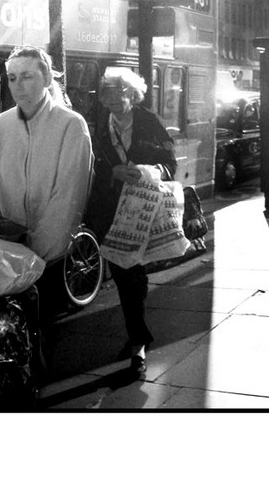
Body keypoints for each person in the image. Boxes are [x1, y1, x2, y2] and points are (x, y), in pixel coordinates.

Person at [87, 68, 177, 376]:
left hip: (146, 212)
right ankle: (139, 338)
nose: (111, 100)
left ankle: (138, 339)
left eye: (117, 94)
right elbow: (92, 171)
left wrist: (148, 170)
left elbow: (170, 165)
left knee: (133, 278)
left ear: (132, 94)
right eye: (106, 95)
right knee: (128, 277)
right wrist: (112, 174)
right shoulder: (99, 127)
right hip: (114, 214)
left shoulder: (149, 122)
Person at [0, 46, 93, 263]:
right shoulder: (2, 125)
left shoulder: (71, 125)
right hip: (6, 255)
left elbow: (68, 200)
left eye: (27, 77)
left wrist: (37, 252)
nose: (17, 86)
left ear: (47, 79)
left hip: (49, 260)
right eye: (12, 78)